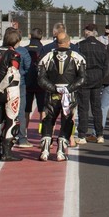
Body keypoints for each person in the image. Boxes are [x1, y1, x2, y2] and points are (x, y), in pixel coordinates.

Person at [35, 25, 86, 161]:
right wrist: (68, 89)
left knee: (48, 119)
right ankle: (61, 152)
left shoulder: (47, 56)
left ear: (56, 42)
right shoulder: (77, 57)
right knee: (67, 121)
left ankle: (44, 151)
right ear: (69, 42)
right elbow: (82, 78)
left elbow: (40, 78)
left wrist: (54, 88)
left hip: (52, 94)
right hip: (70, 95)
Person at [0, 28, 24, 161]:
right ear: (16, 40)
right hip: (10, 91)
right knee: (11, 120)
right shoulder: (15, 55)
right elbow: (11, 75)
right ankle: (6, 153)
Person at [74, 25, 108, 145]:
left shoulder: (80, 45)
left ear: (88, 32)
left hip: (84, 78)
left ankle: (82, 135)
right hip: (97, 78)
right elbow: (106, 66)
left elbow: (76, 63)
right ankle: (99, 134)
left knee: (83, 108)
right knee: (97, 108)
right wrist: (102, 77)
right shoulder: (102, 46)